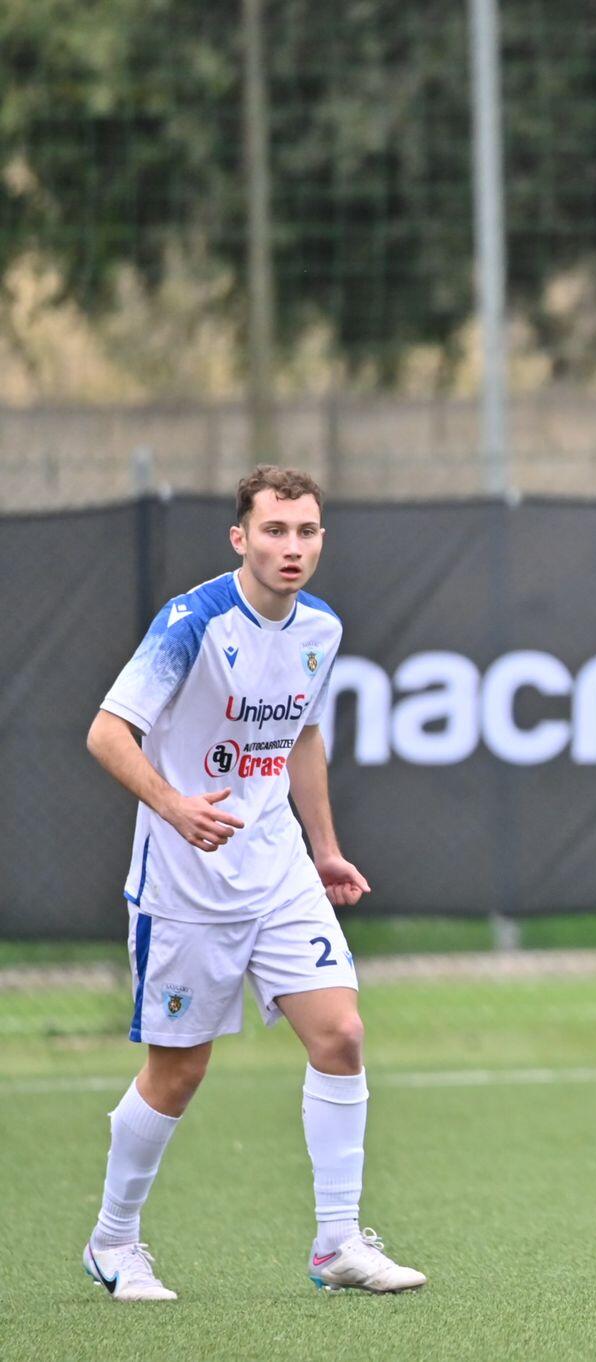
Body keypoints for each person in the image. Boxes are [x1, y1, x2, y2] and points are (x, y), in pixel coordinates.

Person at [80, 465, 425, 1301]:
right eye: (275, 531)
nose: (292, 547)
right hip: (186, 882)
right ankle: (113, 1242)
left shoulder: (321, 629)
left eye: (306, 532)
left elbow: (303, 737)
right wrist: (173, 807)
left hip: (278, 871)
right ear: (241, 538)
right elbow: (106, 732)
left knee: (340, 1032)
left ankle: (338, 1242)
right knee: (179, 1073)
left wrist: (325, 847)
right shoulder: (190, 624)